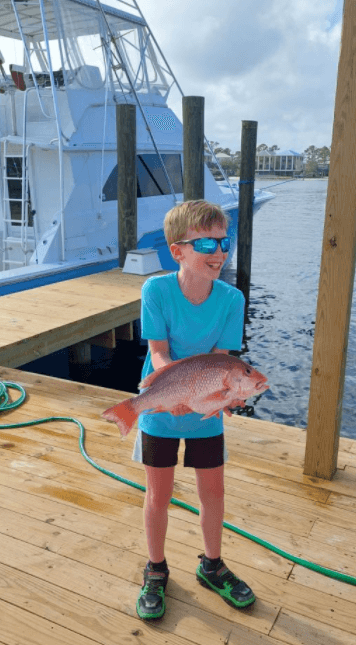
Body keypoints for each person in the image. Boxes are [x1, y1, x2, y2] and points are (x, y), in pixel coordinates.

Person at [132, 199, 256, 620]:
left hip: (205, 414)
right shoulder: (156, 290)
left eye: (223, 242)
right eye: (206, 244)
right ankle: (156, 569)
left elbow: (223, 360)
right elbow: (158, 352)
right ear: (177, 250)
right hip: (161, 406)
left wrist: (227, 395)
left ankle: (212, 565)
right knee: (158, 495)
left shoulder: (232, 299)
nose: (219, 253)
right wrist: (178, 392)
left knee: (213, 492)